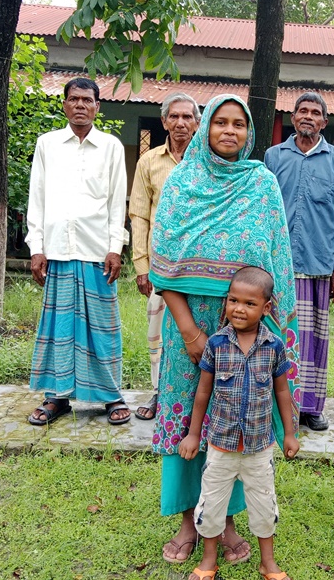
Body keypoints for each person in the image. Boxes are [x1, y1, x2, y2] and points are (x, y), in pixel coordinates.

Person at [149, 94, 300, 567]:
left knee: (237, 414)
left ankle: (228, 519)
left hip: (246, 331)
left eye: (239, 124)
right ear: (205, 128)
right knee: (188, 412)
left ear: (250, 132)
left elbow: (276, 255)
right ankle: (186, 519)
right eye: (220, 122)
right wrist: (192, 332)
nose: (230, 131)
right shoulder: (181, 183)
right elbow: (163, 268)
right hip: (186, 328)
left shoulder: (262, 183)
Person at [179, 266, 300, 580]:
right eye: (233, 300)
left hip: (259, 447)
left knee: (264, 504)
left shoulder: (273, 345)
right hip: (221, 443)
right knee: (211, 503)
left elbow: (283, 391)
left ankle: (268, 563)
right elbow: (203, 391)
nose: (239, 309)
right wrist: (194, 434)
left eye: (249, 303)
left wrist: (290, 433)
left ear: (265, 308)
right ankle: (208, 561)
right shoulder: (217, 344)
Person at [25, 77, 131, 426]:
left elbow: (118, 201)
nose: (80, 105)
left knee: (103, 327)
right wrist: (36, 247)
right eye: (74, 99)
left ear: (98, 106)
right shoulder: (48, 144)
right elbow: (37, 198)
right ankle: (56, 397)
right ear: (65, 104)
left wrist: (116, 248)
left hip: (97, 251)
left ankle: (111, 396)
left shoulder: (112, 146)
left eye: (87, 100)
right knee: (59, 327)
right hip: (57, 249)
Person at [264, 91, 334, 432]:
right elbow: (263, 210)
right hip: (278, 264)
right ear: (293, 117)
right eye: (303, 111)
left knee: (314, 339)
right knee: (278, 336)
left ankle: (311, 407)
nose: (308, 117)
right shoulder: (273, 156)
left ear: (324, 122)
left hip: (318, 264)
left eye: (315, 113)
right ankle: (274, 402)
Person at [129, 92, 201, 421]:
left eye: (188, 117)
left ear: (198, 123)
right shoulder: (149, 161)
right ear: (164, 121)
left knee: (196, 330)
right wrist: (142, 266)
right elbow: (139, 215)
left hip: (199, 266)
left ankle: (197, 396)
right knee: (157, 331)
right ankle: (160, 392)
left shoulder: (208, 162)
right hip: (161, 266)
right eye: (175, 116)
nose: (181, 123)